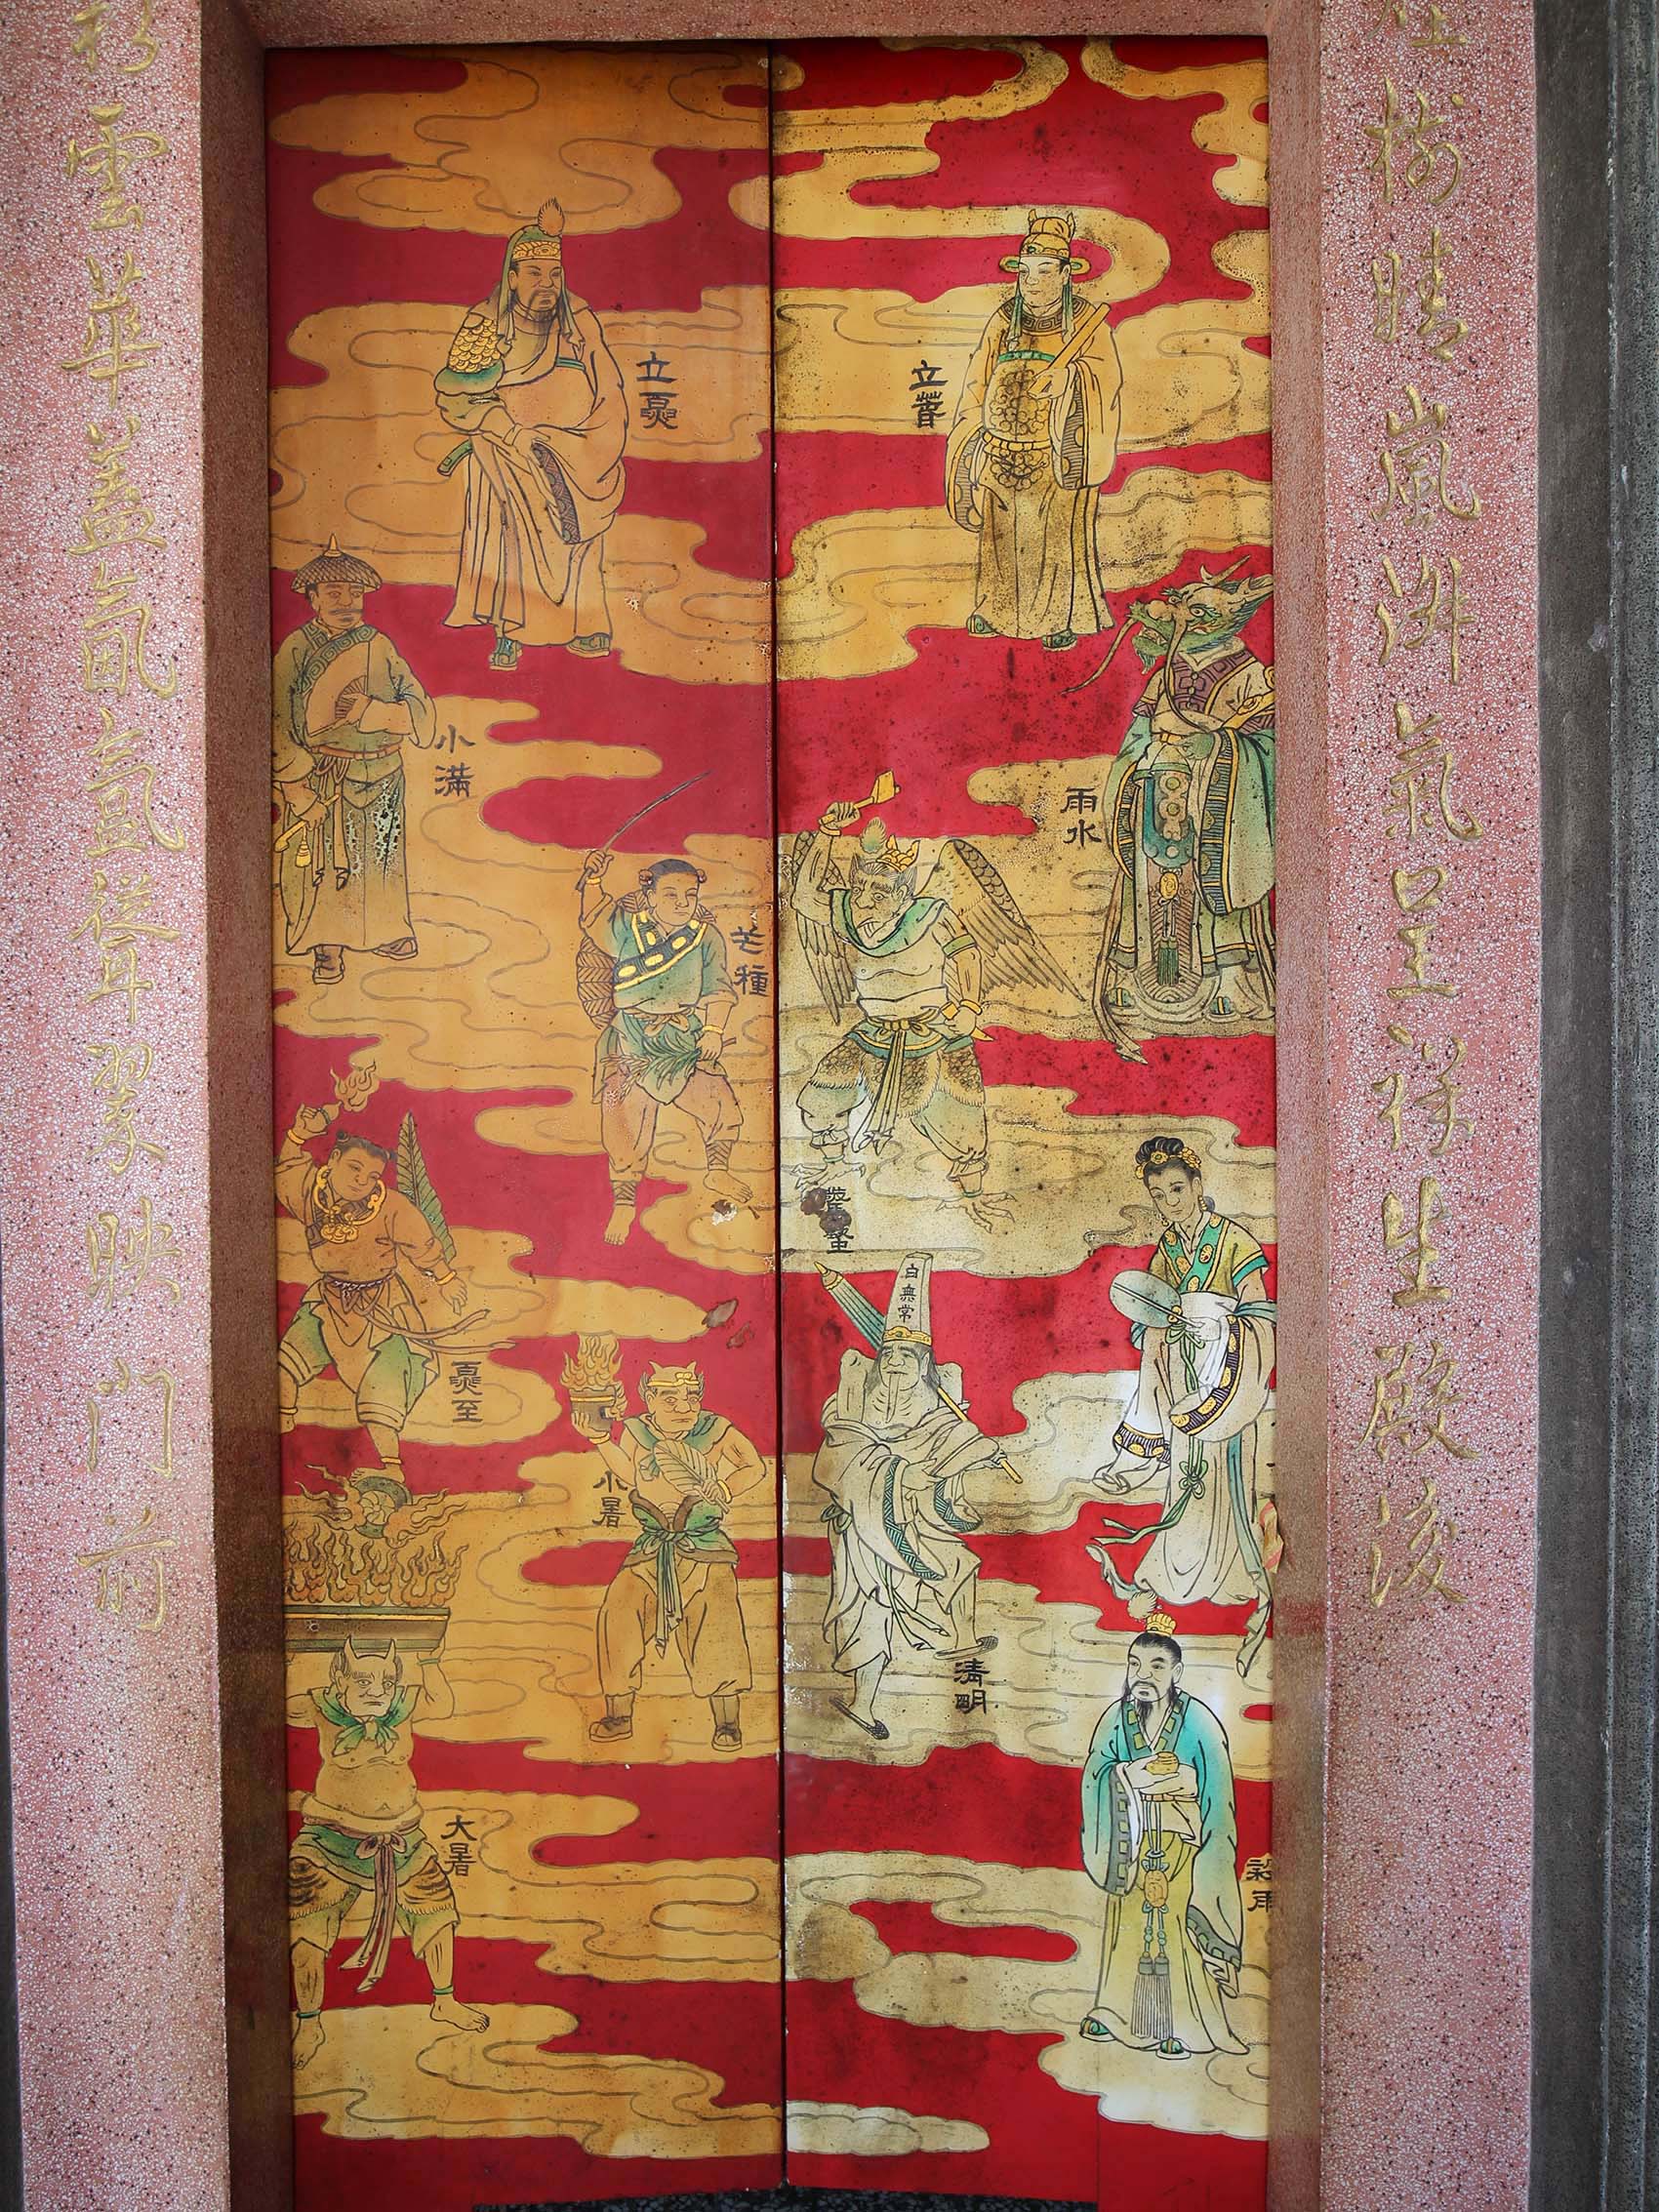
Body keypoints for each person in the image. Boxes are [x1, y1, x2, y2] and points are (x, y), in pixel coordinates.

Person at [1089, 1136, 1275, 1675]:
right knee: (1186, 1475)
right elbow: (1149, 1314)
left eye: (1177, 1188)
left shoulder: (1234, 1240)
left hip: (1228, 1375)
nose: (1170, 1201)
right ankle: (1178, 1568)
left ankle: (1231, 1573)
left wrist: (1221, 1329)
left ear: (1197, 1185)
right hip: (1182, 1376)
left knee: (1225, 1478)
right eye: (1159, 1194)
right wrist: (1168, 1332)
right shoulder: (1166, 1251)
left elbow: (1262, 1313)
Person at [810, 1255, 1002, 1740]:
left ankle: (962, 1638)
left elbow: (951, 1445)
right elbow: (839, 1454)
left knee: (959, 1565)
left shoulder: (936, 1410)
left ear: (924, 1366)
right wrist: (901, 1472)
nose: (895, 1362)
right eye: (889, 1354)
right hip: (862, 1523)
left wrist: (977, 1453)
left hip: (914, 1518)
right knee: (867, 1609)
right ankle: (863, 1703)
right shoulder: (851, 1402)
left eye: (907, 1356)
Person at [1089, 569, 1275, 1055]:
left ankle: (1229, 980)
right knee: (1145, 880)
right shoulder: (1167, 672)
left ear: (1223, 620)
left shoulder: (1251, 674)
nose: (1179, 618)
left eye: (1195, 612)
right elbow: (1138, 733)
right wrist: (1138, 763)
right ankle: (1130, 978)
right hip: (1157, 785)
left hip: (1219, 793)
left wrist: (1220, 746)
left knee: (1216, 878)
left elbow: (1268, 745)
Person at [434, 198, 627, 667]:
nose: (547, 284)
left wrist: (597, 441)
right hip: (507, 448)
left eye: (555, 274)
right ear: (513, 276)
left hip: (576, 449)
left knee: (582, 535)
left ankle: (588, 624)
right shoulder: (486, 323)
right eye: (535, 273)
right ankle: (511, 629)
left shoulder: (579, 321)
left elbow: (609, 384)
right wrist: (508, 430)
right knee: (513, 530)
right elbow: (457, 397)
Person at [287, 1631, 488, 2070]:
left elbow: (443, 1704)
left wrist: (430, 1660)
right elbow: (281, 1705)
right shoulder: (321, 1706)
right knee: (304, 1925)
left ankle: (444, 2000)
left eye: (385, 1682)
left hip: (402, 1838)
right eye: (363, 1682)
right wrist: (291, 1657)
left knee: (437, 1911)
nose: (376, 1692)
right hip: (330, 1840)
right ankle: (309, 2022)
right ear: (341, 1681)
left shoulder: (403, 1706)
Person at [946, 210, 1122, 648]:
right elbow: (977, 380)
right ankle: (995, 609)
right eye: (1025, 271)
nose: (1033, 281)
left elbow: (1107, 379)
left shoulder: (1087, 322)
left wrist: (1071, 380)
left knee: (1054, 539)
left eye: (1045, 271)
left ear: (1065, 274)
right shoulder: (1003, 320)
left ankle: (1058, 618)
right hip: (1001, 451)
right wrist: (972, 432)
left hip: (1056, 452)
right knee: (1000, 537)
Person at [572, 1359, 763, 1750]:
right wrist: (602, 1441)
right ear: (650, 1399)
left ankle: (727, 1722)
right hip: (653, 1547)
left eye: (691, 1397)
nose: (683, 1406)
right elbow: (632, 1474)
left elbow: (753, 1466)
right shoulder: (637, 1431)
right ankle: (618, 1714)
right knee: (618, 1613)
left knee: (717, 1628)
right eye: (671, 1398)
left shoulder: (715, 1430)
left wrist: (725, 1488)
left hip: (704, 1548)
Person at [272, 537, 436, 987]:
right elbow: (279, 721)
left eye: (354, 593)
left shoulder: (379, 645)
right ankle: (326, 946)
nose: (346, 602)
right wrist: (296, 788)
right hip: (323, 774)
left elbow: (420, 707)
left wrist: (377, 713)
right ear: (313, 598)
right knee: (325, 865)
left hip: (382, 772)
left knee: (381, 856)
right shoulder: (296, 649)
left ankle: (386, 930)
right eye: (334, 593)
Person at [1078, 1622, 1246, 2060]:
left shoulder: (1200, 1720)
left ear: (1177, 1672)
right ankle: (1116, 2014)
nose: (1143, 1675)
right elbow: (1096, 1772)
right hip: (1131, 1840)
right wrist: (1127, 1774)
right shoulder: (1117, 1719)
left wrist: (1182, 1781)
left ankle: (1183, 2026)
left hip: (1181, 1843)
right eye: (1135, 1664)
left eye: (1156, 1665)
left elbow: (1217, 1791)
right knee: (1128, 1927)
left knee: (1175, 1926)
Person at [276, 1101, 469, 1479]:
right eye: (354, 1168)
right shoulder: (312, 1192)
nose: (361, 1181)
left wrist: (446, 1279)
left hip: (382, 1309)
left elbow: (421, 1242)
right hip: (328, 1303)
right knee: (284, 1365)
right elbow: (286, 1170)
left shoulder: (390, 1206)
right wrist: (297, 1135)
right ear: (334, 1159)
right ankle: (280, 1450)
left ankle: (392, 1470)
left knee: (383, 1393)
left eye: (371, 1176)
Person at [578, 850, 749, 1246]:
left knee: (717, 1097)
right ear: (650, 896)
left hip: (682, 1036)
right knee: (624, 1118)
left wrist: (713, 1031)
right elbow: (593, 919)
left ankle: (718, 1169)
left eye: (690, 896)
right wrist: (593, 880)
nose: (681, 903)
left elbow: (718, 988)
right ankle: (624, 1202)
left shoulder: (705, 938)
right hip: (631, 1036)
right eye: (670, 895)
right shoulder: (627, 928)